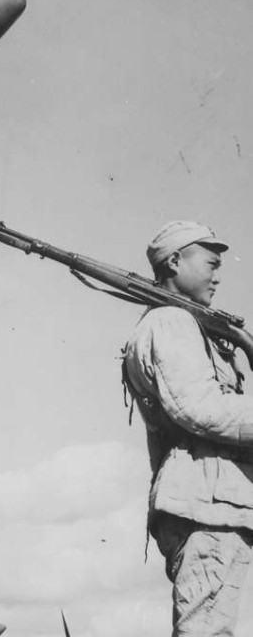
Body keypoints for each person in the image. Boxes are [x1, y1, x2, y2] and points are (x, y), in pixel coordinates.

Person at [122, 220, 253, 637]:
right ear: (175, 261)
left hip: (210, 500)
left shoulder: (187, 324)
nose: (218, 275)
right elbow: (200, 409)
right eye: (211, 263)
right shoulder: (171, 322)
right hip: (205, 503)